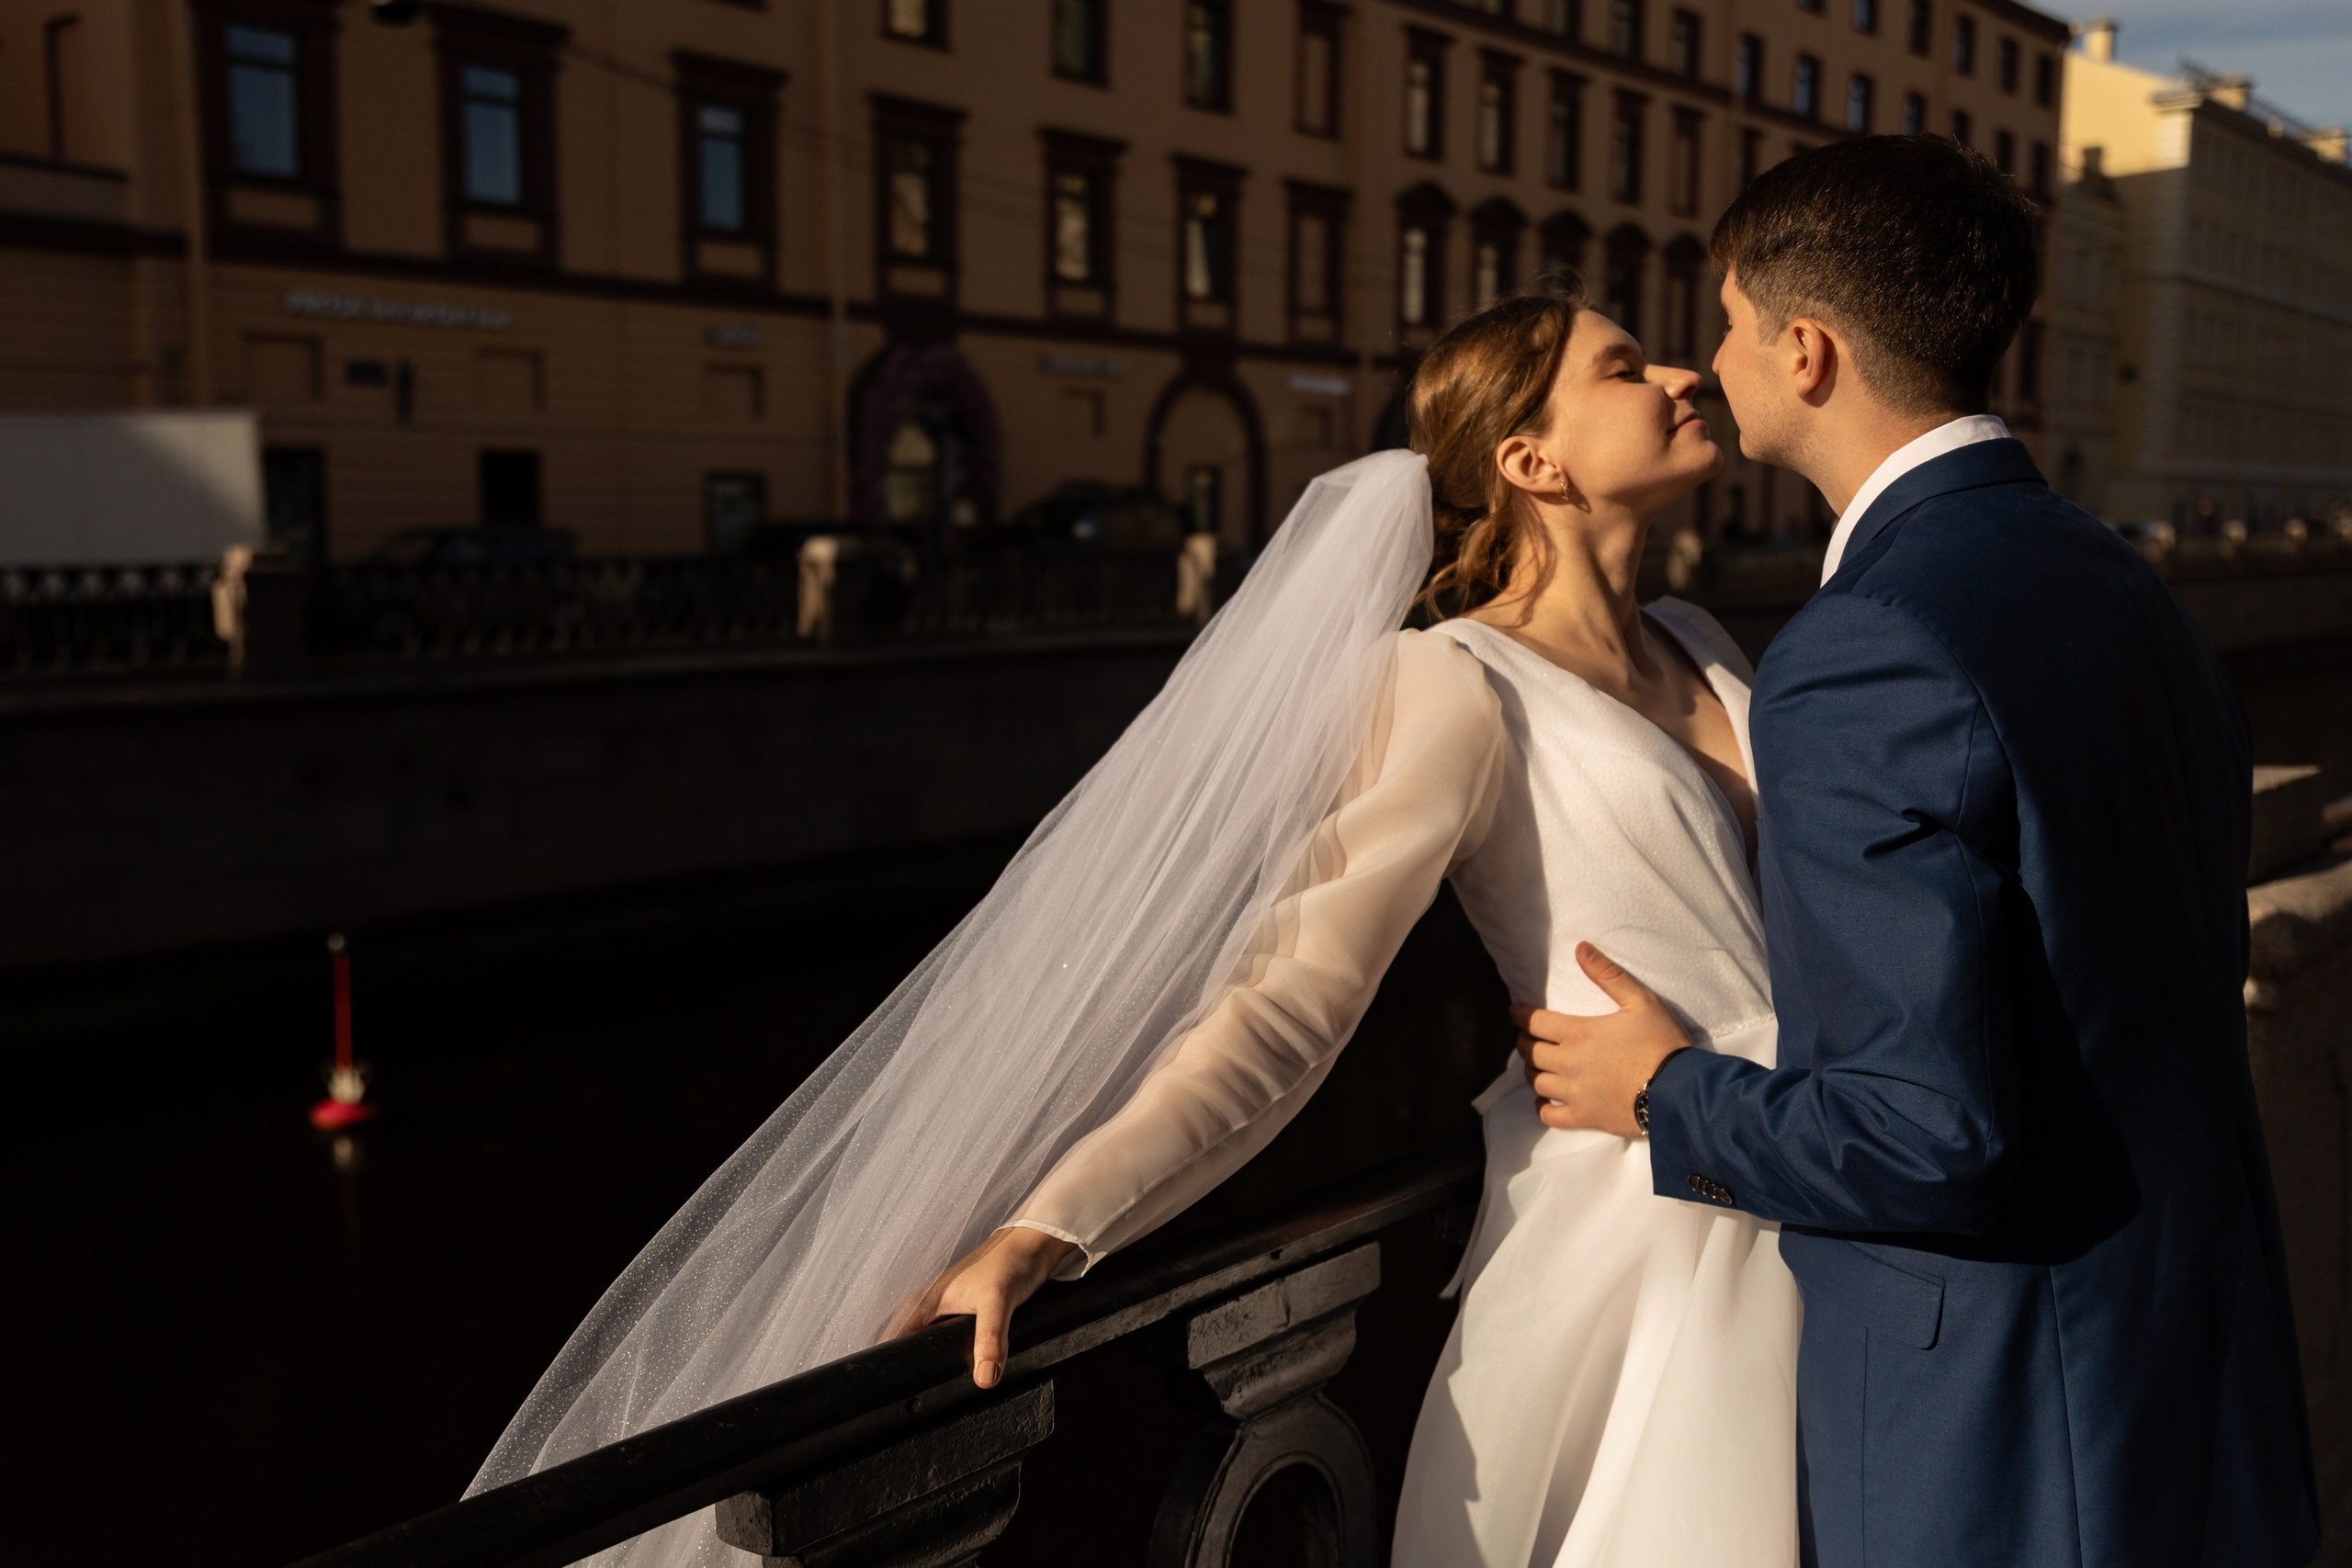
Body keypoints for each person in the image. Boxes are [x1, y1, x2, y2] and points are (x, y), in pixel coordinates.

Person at [470, 278, 1807, 1568]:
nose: (1685, 373)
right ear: (1532, 458)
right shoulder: (1458, 686)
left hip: (1814, 1168)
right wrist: (1045, 1233)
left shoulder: (1704, 640)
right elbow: (1288, 1004)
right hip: (1648, 1241)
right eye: (1625, 368)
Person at [1519, 135, 2321, 1567]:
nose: (1712, 360)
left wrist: (1666, 1094)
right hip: (2187, 1366)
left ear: (1808, 352)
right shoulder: (2113, 575)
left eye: (1729, 323)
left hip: (1999, 1425)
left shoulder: (1863, 646)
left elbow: (1922, 1131)